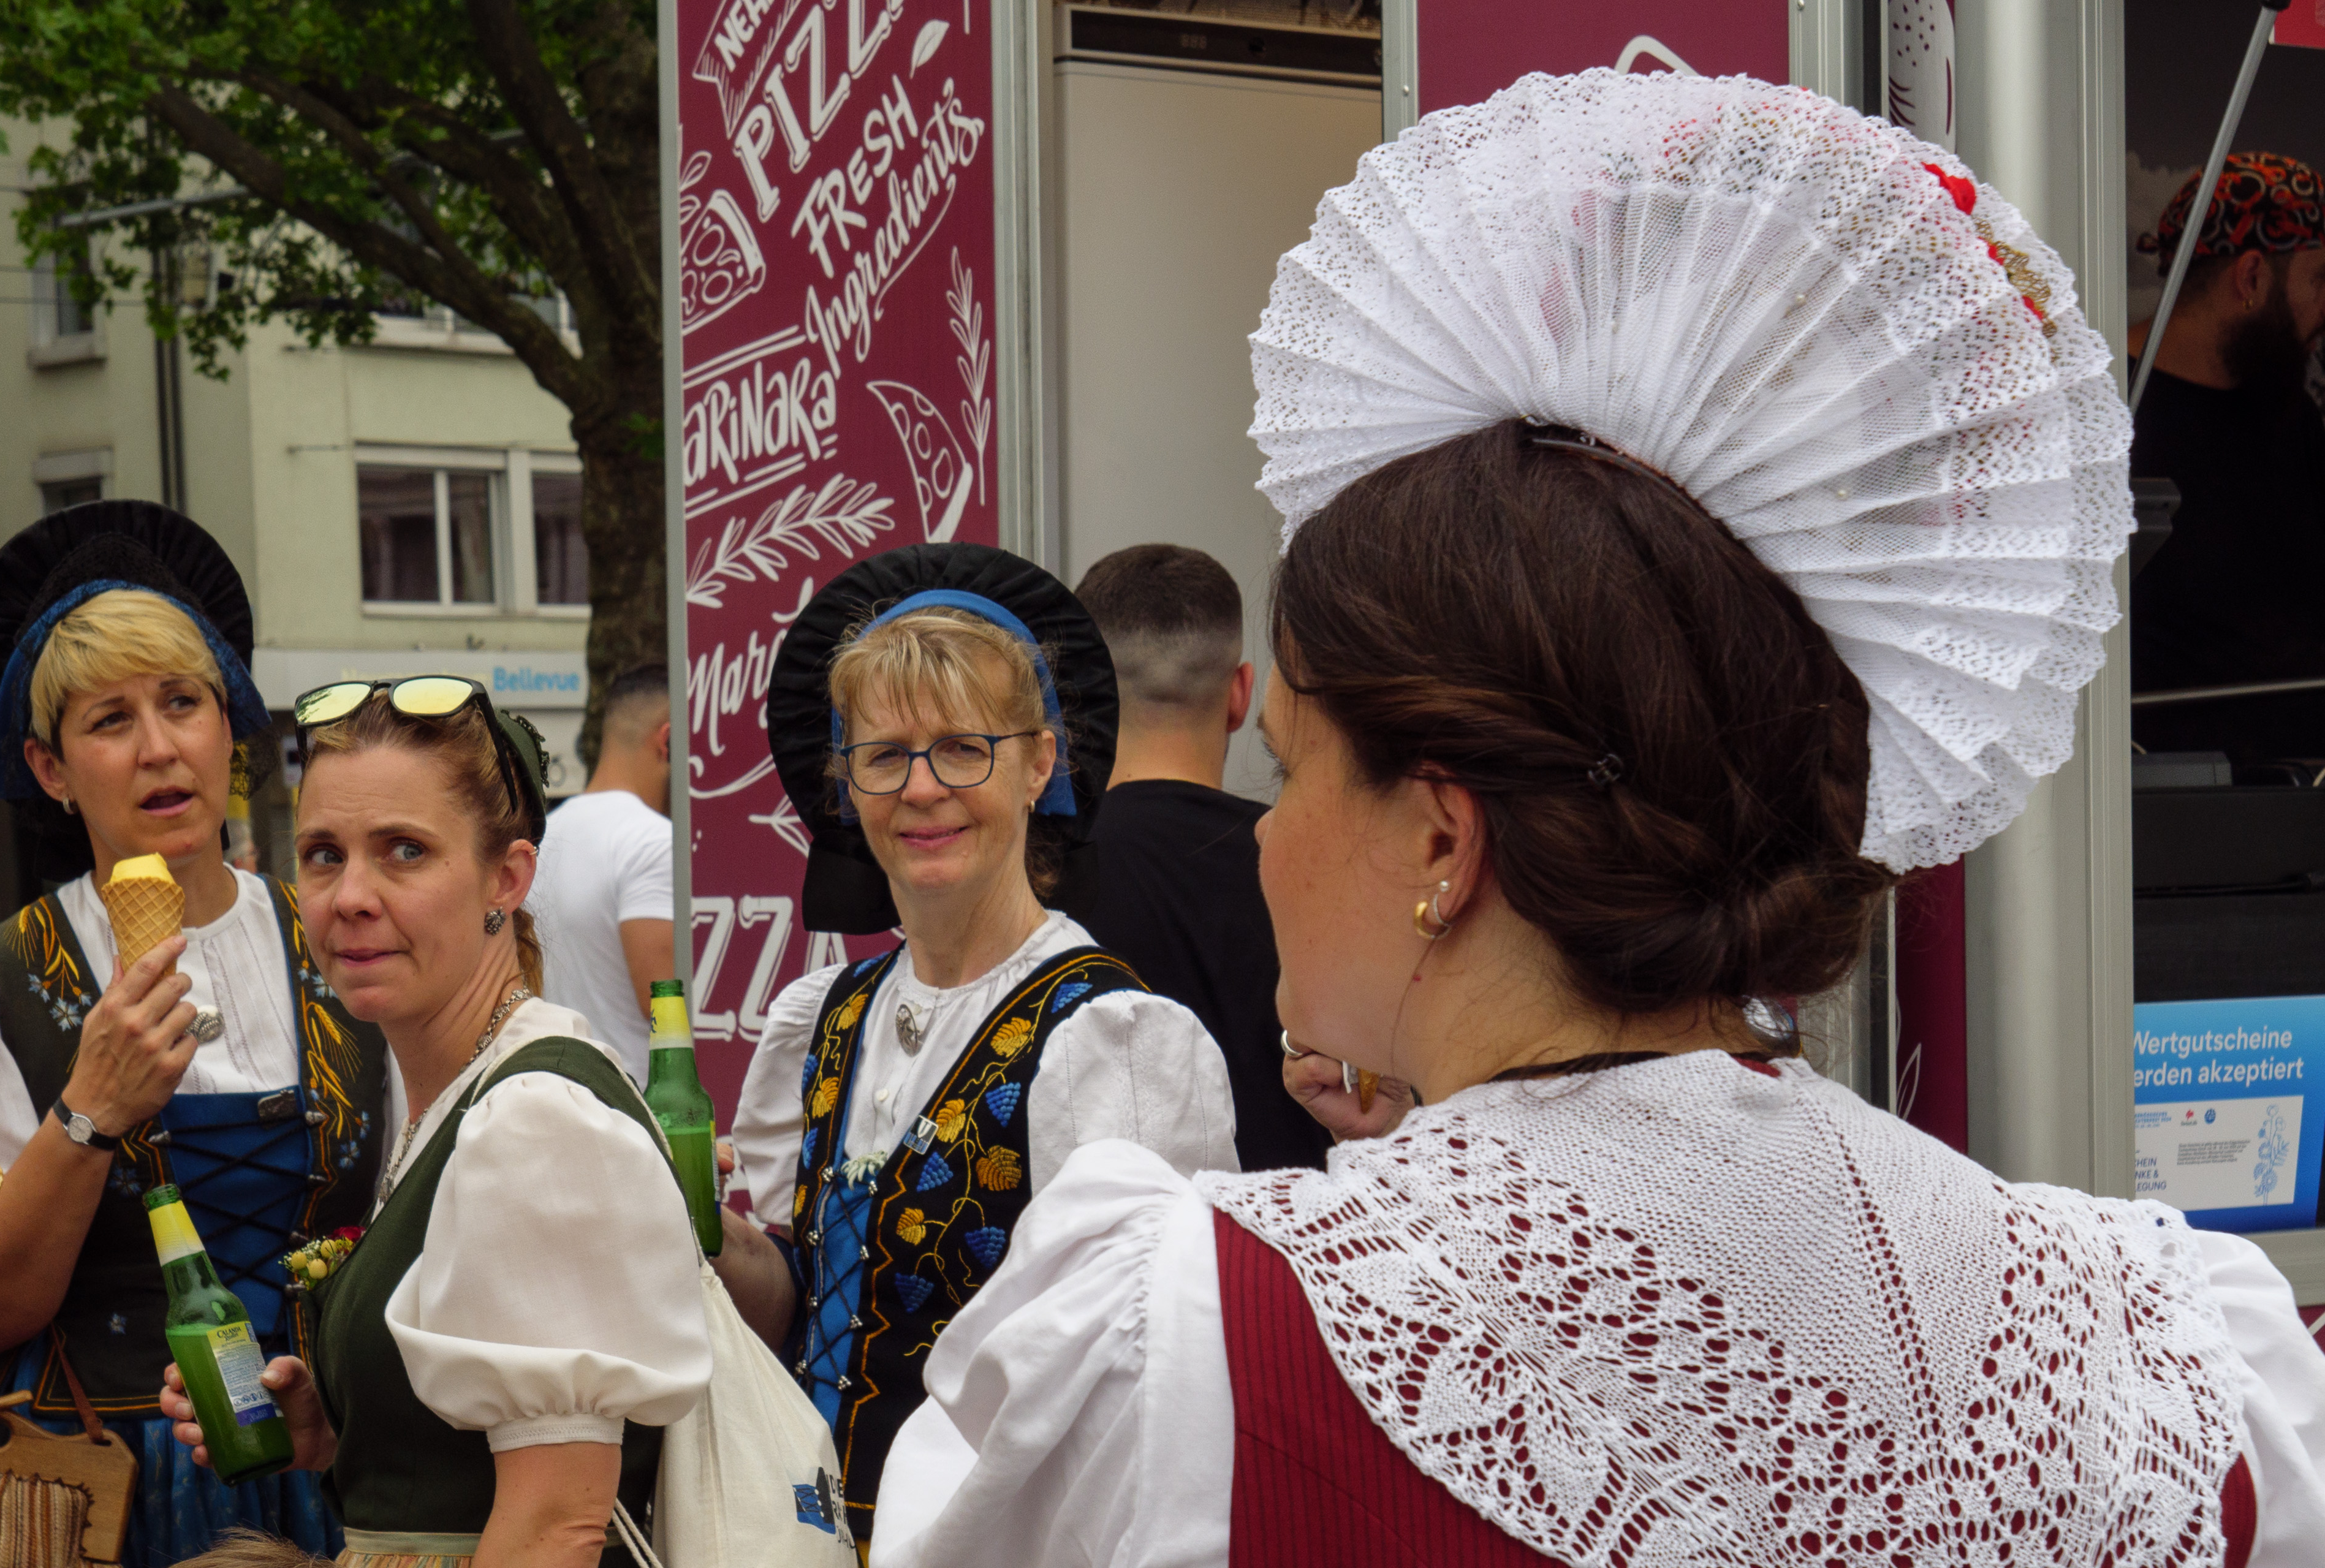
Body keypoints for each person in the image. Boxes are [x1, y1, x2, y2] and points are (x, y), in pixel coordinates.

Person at [869, 72, 2325, 1567]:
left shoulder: (1191, 1331)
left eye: (1292, 769)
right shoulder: (2162, 1346)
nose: (1262, 833)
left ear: (1443, 838)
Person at [729, 540, 1238, 1550]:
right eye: (882, 754)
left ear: (1040, 760)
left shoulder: (1110, 1036)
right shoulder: (825, 1016)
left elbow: (1144, 1396)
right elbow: (802, 1312)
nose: (921, 788)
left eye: (964, 746)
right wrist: (707, 1239)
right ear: (845, 785)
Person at [164, 676, 710, 1568]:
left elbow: (555, 1529)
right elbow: (468, 1460)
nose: (351, 895)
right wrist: (337, 1426)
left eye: (404, 851)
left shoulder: (537, 1119)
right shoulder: (458, 1092)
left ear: (508, 876)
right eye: (324, 853)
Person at [0, 504, 389, 1566]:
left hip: (326, 1462)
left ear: (228, 724)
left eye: (182, 702)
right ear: (52, 767)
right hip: (103, 1482)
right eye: (109, 719)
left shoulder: (344, 939)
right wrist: (90, 1108)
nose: (159, 747)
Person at [1072, 544, 1324, 1171]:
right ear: (1241, 693)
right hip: (1292, 1250)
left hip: (1094, 1256)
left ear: (1077, 700)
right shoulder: (1319, 870)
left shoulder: (1029, 877)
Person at [2128, 153, 2325, 762]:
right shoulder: (2108, 407)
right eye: (2319, 281)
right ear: (2249, 279)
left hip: (2296, 798)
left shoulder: (2289, 410)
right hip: (2165, 807)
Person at [526, 663, 675, 1077]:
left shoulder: (543, 840)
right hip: (639, 1107)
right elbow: (666, 1005)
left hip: (559, 1088)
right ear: (667, 740)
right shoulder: (653, 842)